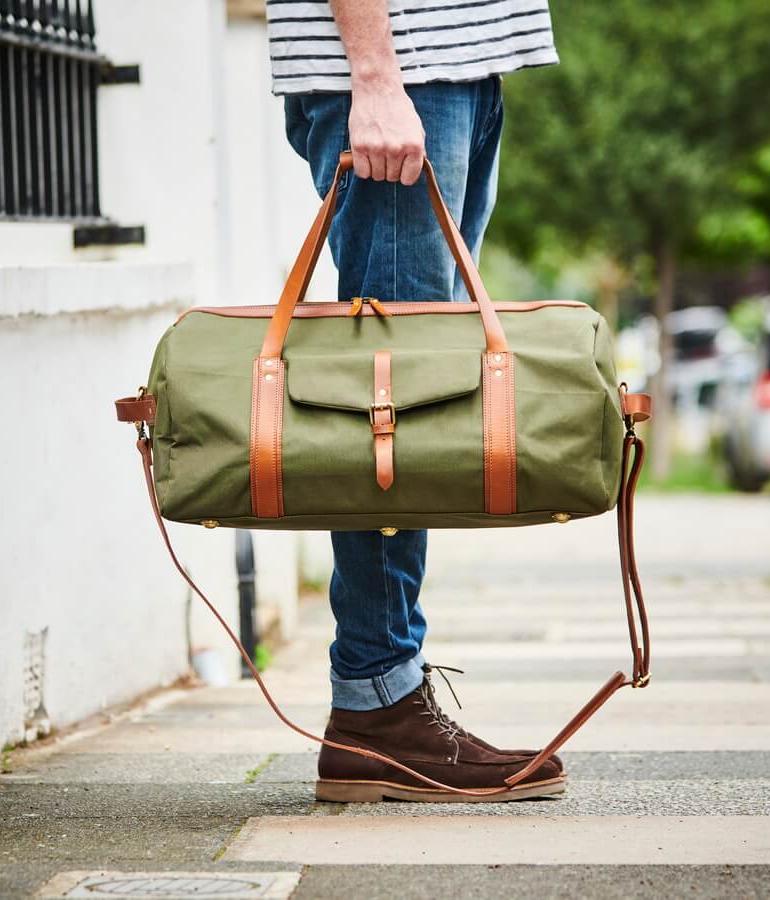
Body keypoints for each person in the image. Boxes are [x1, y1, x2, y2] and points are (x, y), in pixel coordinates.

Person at [267, 0, 563, 802]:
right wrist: (375, 76)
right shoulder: (388, 80)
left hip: (453, 72)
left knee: (404, 399)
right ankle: (376, 703)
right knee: (390, 405)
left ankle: (382, 693)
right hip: (403, 73)